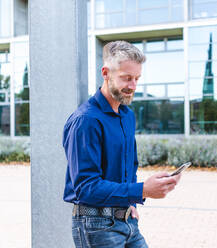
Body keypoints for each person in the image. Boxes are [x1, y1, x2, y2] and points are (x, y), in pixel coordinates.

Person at [62, 40, 181, 248]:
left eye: (136, 79)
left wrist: (133, 201)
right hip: (95, 226)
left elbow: (128, 167)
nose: (133, 86)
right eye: (126, 78)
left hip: (128, 221)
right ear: (106, 73)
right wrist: (142, 190)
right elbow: (86, 188)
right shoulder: (86, 120)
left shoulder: (127, 115)